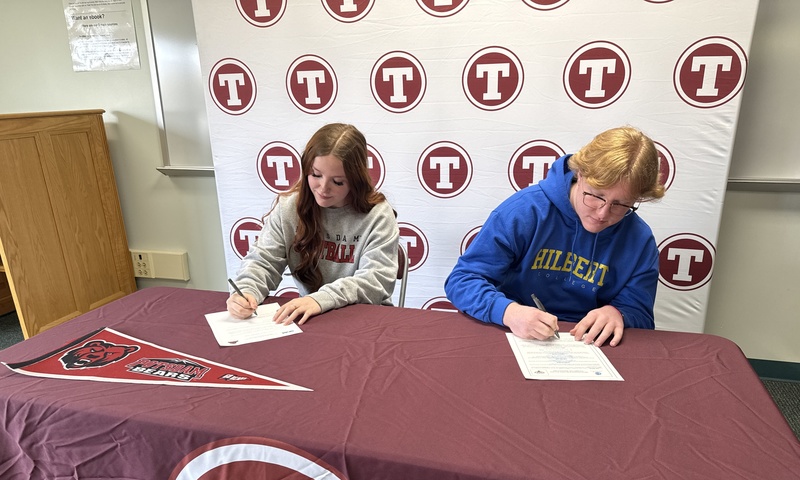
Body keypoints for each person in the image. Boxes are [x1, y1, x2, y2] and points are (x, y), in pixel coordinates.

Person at [444, 125, 665, 347]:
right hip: (514, 331)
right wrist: (508, 312)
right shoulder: (523, 213)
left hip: (590, 344)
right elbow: (463, 280)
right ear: (580, 174)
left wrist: (618, 313)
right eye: (596, 196)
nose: (602, 213)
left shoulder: (640, 239)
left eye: (621, 204)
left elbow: (640, 313)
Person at [227, 123, 399, 325]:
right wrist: (247, 291)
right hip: (313, 319)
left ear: (356, 179)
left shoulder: (377, 214)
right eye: (316, 175)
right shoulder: (289, 208)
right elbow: (263, 260)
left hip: (365, 319)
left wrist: (320, 299)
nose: (323, 188)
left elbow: (376, 280)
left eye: (338, 181)